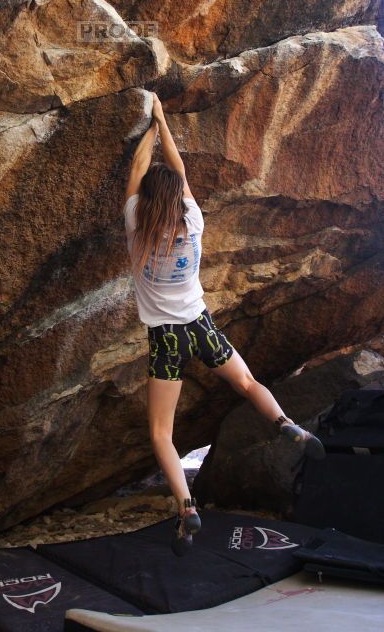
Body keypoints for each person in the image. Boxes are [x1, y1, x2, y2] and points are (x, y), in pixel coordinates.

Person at [123, 93, 325, 556]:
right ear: (179, 197)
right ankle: (285, 423)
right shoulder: (193, 221)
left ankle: (186, 507)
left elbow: (138, 170)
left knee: (160, 433)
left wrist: (148, 130)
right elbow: (181, 171)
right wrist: (163, 119)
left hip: (166, 336)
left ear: (148, 200)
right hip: (200, 323)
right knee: (247, 380)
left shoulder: (136, 224)